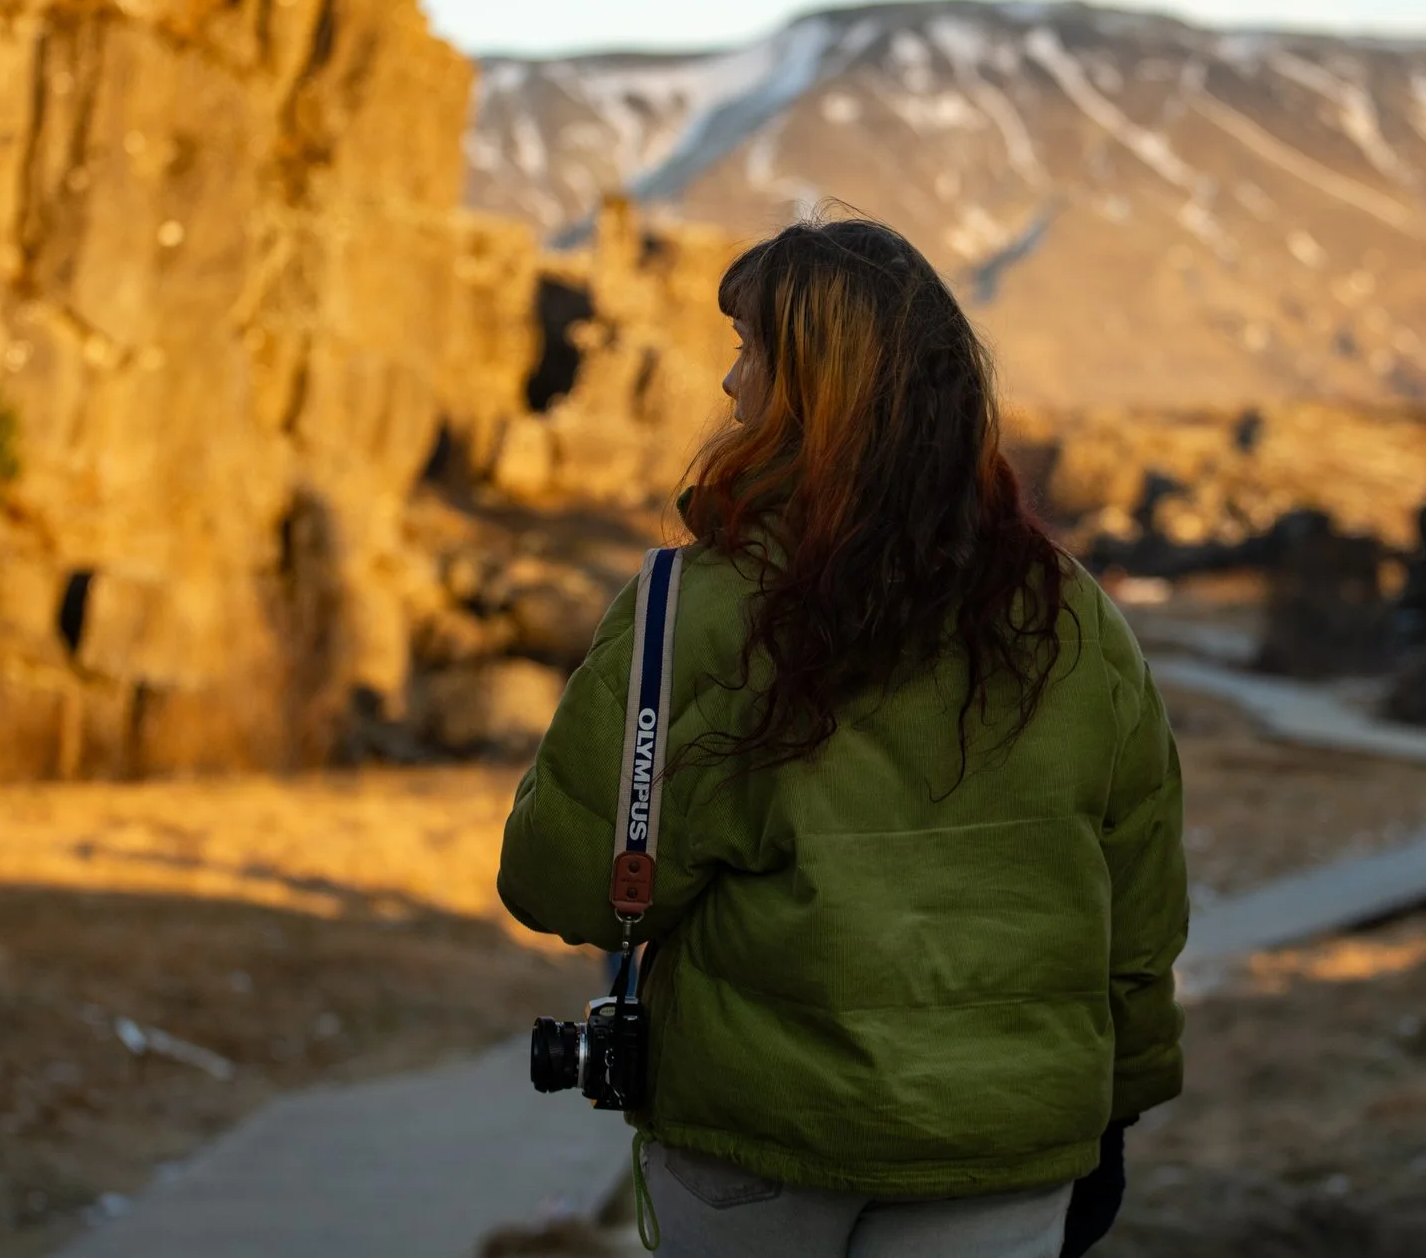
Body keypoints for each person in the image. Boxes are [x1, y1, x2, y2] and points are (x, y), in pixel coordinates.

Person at [497, 216, 1187, 1258]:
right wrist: (1117, 1111)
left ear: (813, 394)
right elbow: (1138, 913)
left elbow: (566, 881)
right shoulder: (1072, 618)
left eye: (751, 355)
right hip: (1005, 1143)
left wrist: (739, 753)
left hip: (758, 1141)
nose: (729, 386)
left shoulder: (691, 609)